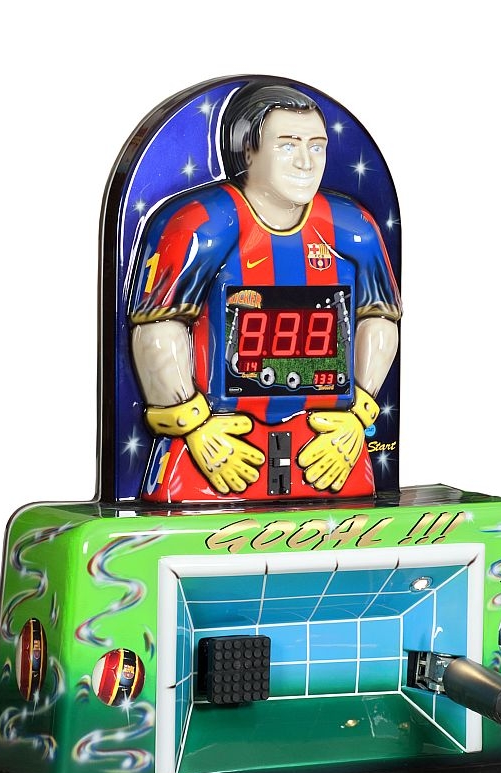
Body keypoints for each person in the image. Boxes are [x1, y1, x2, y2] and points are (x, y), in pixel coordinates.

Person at [129, 82, 401, 502]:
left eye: (317, 146)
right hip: (216, 447)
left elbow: (378, 318)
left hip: (330, 445)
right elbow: (159, 327)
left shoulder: (354, 229)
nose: (306, 162)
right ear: (247, 150)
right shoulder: (200, 225)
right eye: (288, 145)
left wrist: (358, 414)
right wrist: (194, 426)